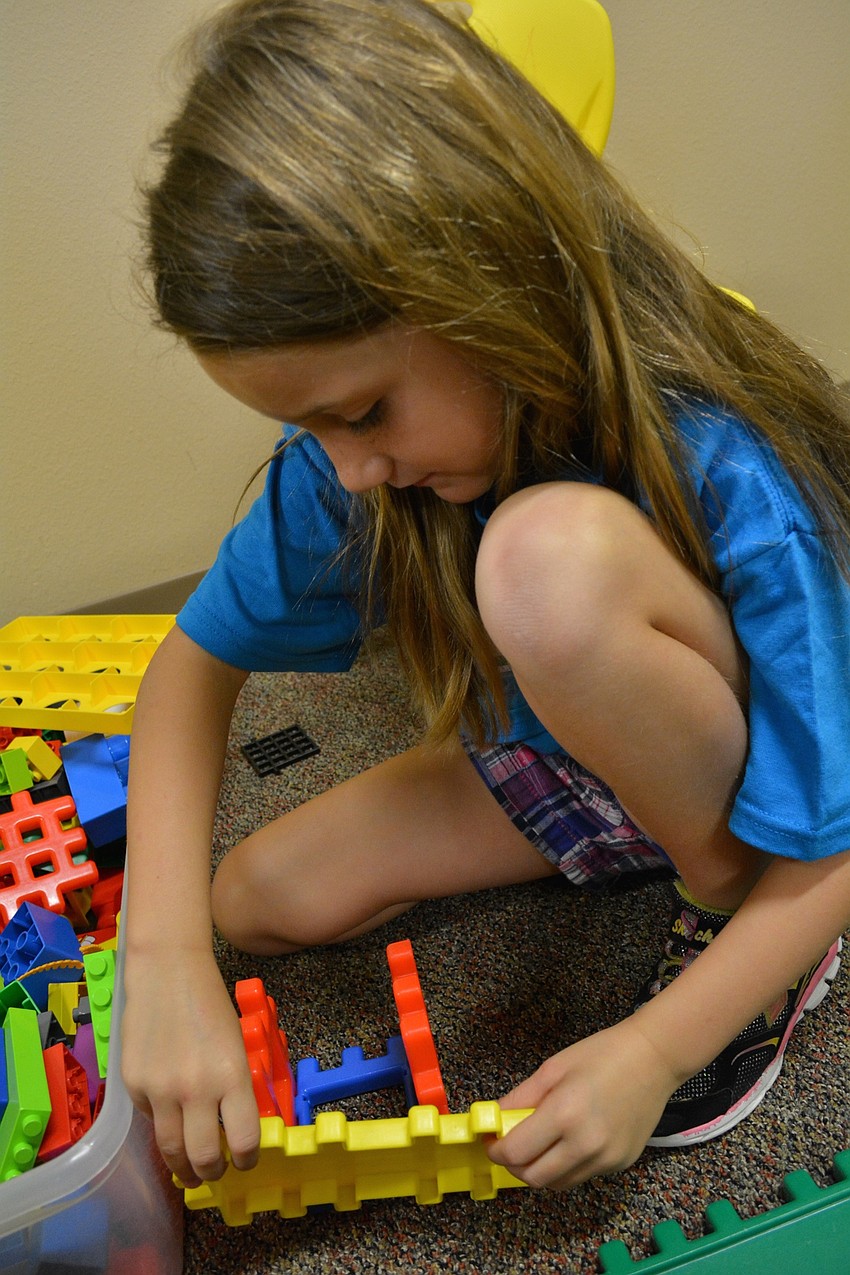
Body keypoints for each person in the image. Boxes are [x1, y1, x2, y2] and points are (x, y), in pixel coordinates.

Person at [122, 0, 850, 1194]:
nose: (349, 468)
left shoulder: (724, 460)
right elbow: (191, 667)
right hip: (572, 745)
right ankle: (637, 821)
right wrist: (159, 958)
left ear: (489, 288)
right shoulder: (354, 466)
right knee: (254, 902)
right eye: (310, 427)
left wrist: (657, 1049)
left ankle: (731, 911)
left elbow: (837, 840)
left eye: (363, 412)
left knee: (541, 566)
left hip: (762, 784)